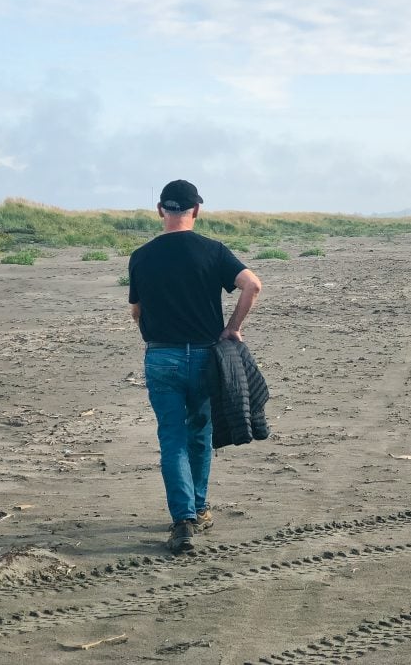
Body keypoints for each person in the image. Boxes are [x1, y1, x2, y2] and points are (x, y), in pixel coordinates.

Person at [128, 179, 262, 553]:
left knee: (172, 438)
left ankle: (183, 520)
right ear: (197, 211)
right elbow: (252, 285)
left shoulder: (141, 255)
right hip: (206, 356)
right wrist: (231, 329)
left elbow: (136, 311)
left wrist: (153, 335)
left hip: (161, 356)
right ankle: (199, 508)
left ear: (160, 211)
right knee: (199, 434)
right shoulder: (213, 251)